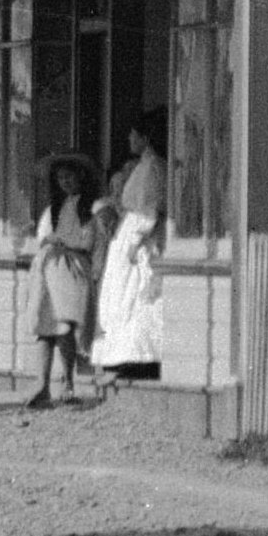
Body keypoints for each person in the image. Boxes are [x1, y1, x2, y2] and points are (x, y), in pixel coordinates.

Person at [97, 114, 172, 387]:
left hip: (140, 240)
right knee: (122, 296)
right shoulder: (142, 166)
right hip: (129, 235)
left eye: (133, 135)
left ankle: (140, 359)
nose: (130, 139)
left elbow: (149, 209)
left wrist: (135, 241)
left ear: (145, 138)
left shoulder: (152, 167)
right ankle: (123, 357)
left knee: (136, 297)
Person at [22, 153, 102, 407]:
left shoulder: (92, 208)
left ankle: (68, 382)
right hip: (49, 268)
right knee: (46, 325)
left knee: (64, 325)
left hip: (73, 267)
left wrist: (66, 243)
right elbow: (43, 237)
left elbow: (92, 242)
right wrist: (49, 242)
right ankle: (42, 384)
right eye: (60, 178)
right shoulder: (54, 210)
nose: (65, 182)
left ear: (80, 177)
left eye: (69, 176)